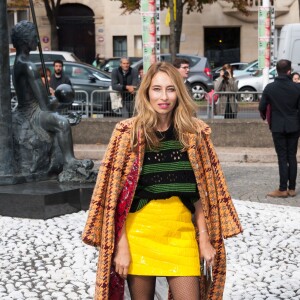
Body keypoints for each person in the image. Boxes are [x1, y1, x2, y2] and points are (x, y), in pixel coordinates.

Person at [83, 62, 243, 300]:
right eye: (157, 89)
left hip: (182, 234)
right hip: (138, 234)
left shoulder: (195, 133)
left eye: (170, 89)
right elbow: (113, 199)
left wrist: (205, 239)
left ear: (179, 92)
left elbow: (201, 195)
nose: (164, 97)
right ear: (146, 92)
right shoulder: (128, 133)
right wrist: (121, 246)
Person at [11, 20, 92, 171]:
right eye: (34, 37)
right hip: (31, 113)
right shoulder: (28, 66)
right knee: (62, 123)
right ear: (25, 40)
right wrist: (62, 99)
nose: (37, 40)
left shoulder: (18, 62)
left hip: (25, 110)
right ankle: (70, 161)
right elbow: (45, 106)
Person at [259, 59, 300, 198]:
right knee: (292, 156)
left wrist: (265, 117)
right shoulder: (297, 87)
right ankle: (292, 188)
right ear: (289, 71)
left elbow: (262, 107)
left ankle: (282, 189)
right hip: (294, 125)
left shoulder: (270, 88)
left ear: (277, 70)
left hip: (277, 126)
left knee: (282, 157)